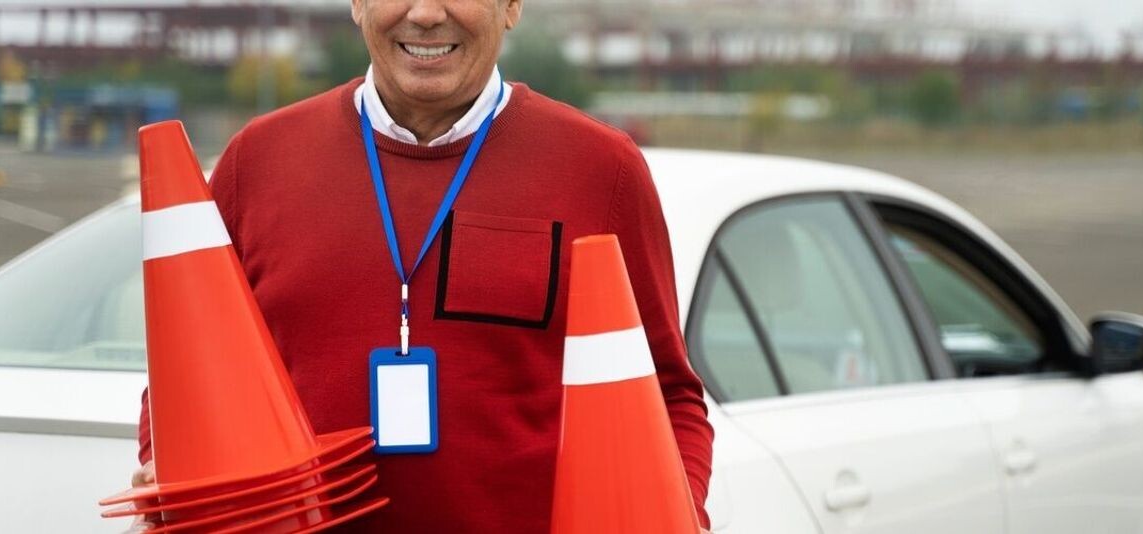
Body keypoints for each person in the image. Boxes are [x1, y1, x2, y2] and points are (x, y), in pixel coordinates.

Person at [130, 0, 714, 531]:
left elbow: (669, 398)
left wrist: (672, 515)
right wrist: (172, 473)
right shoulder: (256, 163)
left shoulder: (600, 170)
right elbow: (185, 382)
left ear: (511, 6)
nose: (427, 14)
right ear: (358, 4)